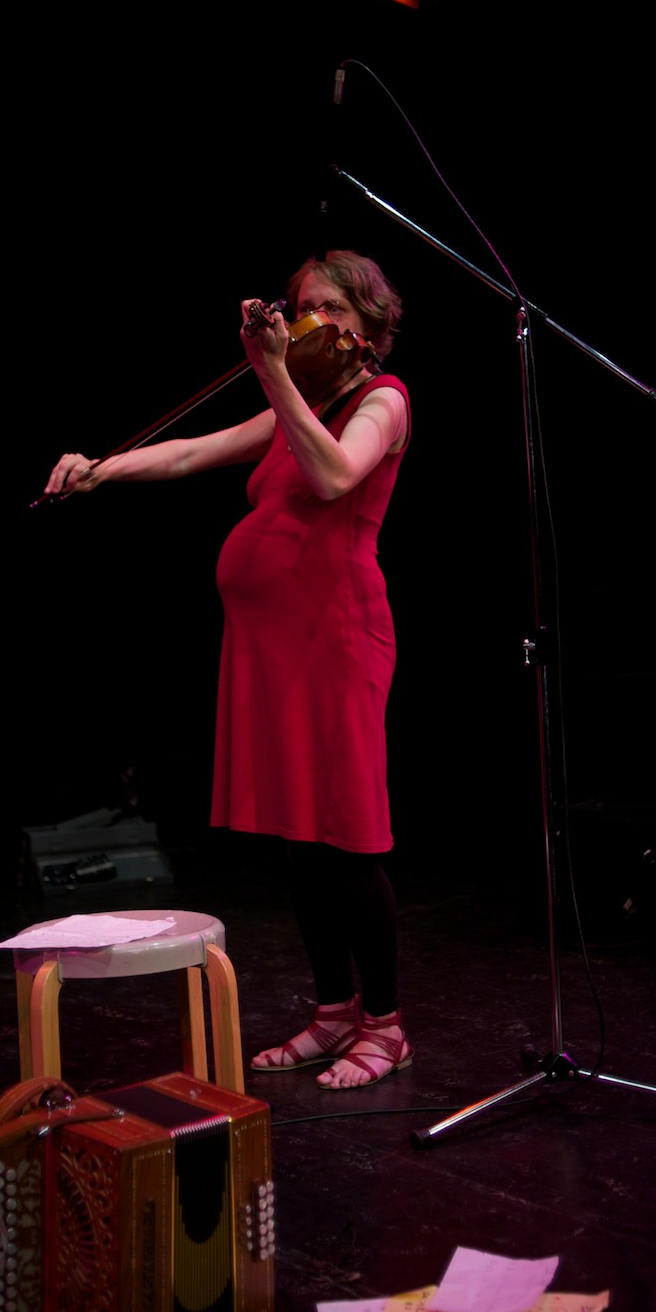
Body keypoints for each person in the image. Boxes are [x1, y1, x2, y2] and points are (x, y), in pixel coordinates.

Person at [44, 249, 413, 1089]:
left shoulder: (382, 400)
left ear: (368, 319)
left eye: (327, 307)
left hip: (337, 638)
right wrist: (100, 470)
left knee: (348, 839)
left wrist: (273, 371)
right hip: (277, 645)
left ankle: (386, 1027)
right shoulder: (300, 402)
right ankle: (333, 1012)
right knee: (303, 838)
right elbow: (189, 453)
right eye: (302, 307)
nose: (311, 322)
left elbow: (333, 475)